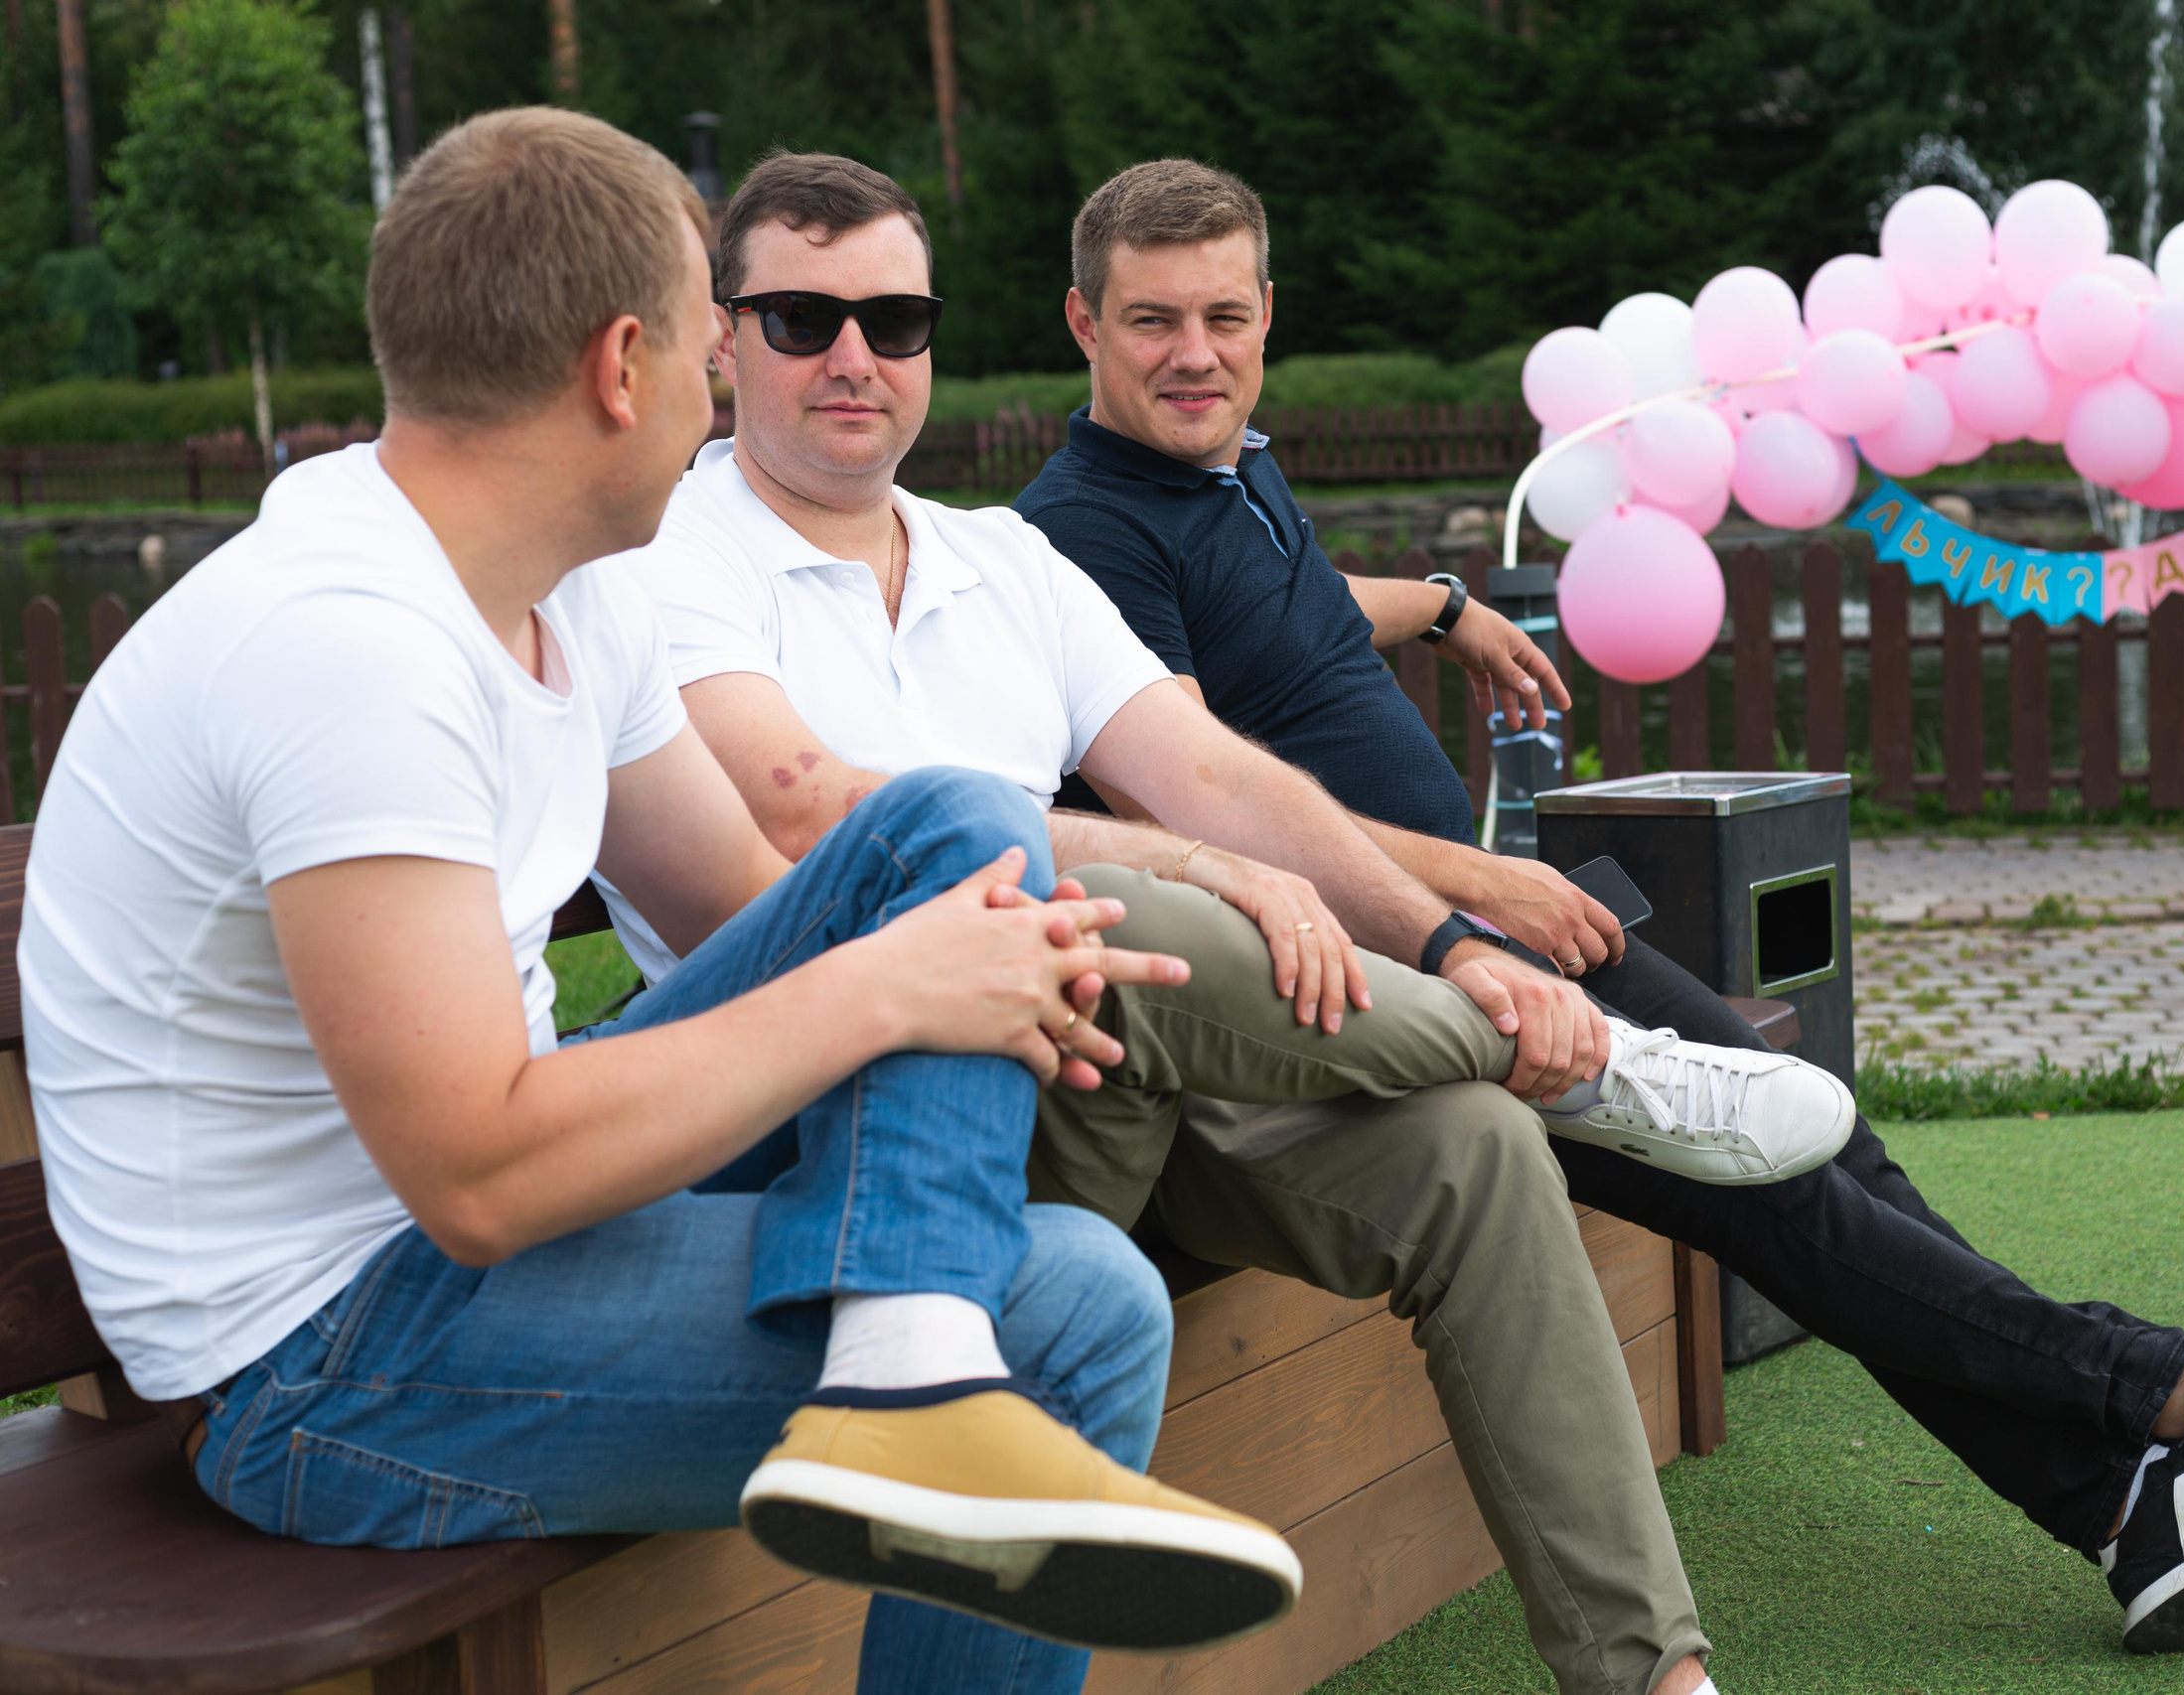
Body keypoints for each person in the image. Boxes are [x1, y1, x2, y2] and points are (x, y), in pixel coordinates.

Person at [1011, 156, 2184, 1655]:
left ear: (1266, 315)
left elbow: (1290, 602)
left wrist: (1441, 608)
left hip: (1493, 920)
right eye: (1152, 324)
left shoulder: (1227, 467)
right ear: (1082, 323)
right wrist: (1475, 885)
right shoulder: (1089, 533)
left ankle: (2125, 1507)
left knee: (1824, 1139)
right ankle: (2179, 1393)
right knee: (1785, 1199)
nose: (1195, 354)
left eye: (1224, 317)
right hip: (1397, 976)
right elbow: (1206, 799)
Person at [14, 108, 1309, 1693]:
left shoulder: (576, 588)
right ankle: (922, 1393)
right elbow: (478, 1176)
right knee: (1076, 1317)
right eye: (713, 352)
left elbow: (760, 907)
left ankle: (912, 1379)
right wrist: (907, 994)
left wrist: (983, 975)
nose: (716, 392)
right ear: (623, 365)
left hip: (457, 1255)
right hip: (316, 1371)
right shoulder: (349, 646)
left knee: (958, 827)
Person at [598, 148, 1877, 1695]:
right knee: (1032, 878)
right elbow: (815, 817)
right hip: (873, 1144)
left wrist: (1452, 939)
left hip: (1112, 1086)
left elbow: (1213, 776)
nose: (855, 357)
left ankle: (1654, 1678)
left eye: (897, 318)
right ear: (722, 341)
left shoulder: (1002, 558)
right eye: (802, 318)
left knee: (1470, 1151)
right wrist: (1213, 874)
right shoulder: (667, 559)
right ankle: (1597, 1060)